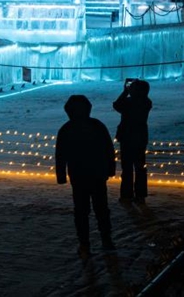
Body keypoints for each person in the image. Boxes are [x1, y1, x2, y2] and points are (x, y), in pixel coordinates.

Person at [55, 94, 117, 258]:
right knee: (100, 208)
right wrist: (110, 168)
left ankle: (85, 243)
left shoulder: (66, 129)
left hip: (79, 175)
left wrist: (61, 175)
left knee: (82, 211)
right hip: (96, 173)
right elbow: (109, 149)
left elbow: (60, 155)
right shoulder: (97, 126)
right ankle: (105, 239)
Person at [113, 79, 153, 204]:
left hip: (127, 137)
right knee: (140, 167)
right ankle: (140, 195)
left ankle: (127, 194)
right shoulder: (146, 102)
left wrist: (125, 92)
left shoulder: (131, 102)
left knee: (128, 168)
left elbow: (116, 105)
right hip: (140, 137)